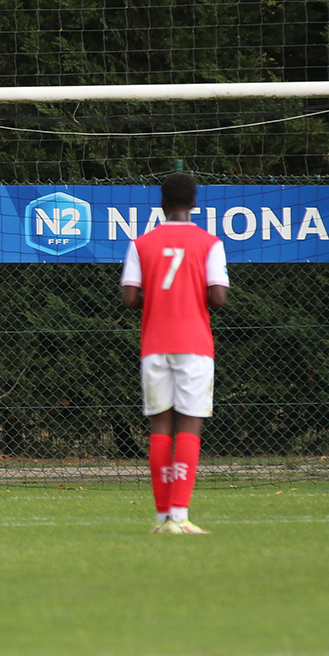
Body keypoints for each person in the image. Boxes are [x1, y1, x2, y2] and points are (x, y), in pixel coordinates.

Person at [121, 173, 229, 535]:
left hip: (154, 343)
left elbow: (129, 298)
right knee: (190, 423)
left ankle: (161, 517)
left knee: (160, 426)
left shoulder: (141, 243)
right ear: (194, 203)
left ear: (162, 204)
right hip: (194, 344)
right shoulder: (209, 242)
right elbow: (218, 297)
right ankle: (180, 518)